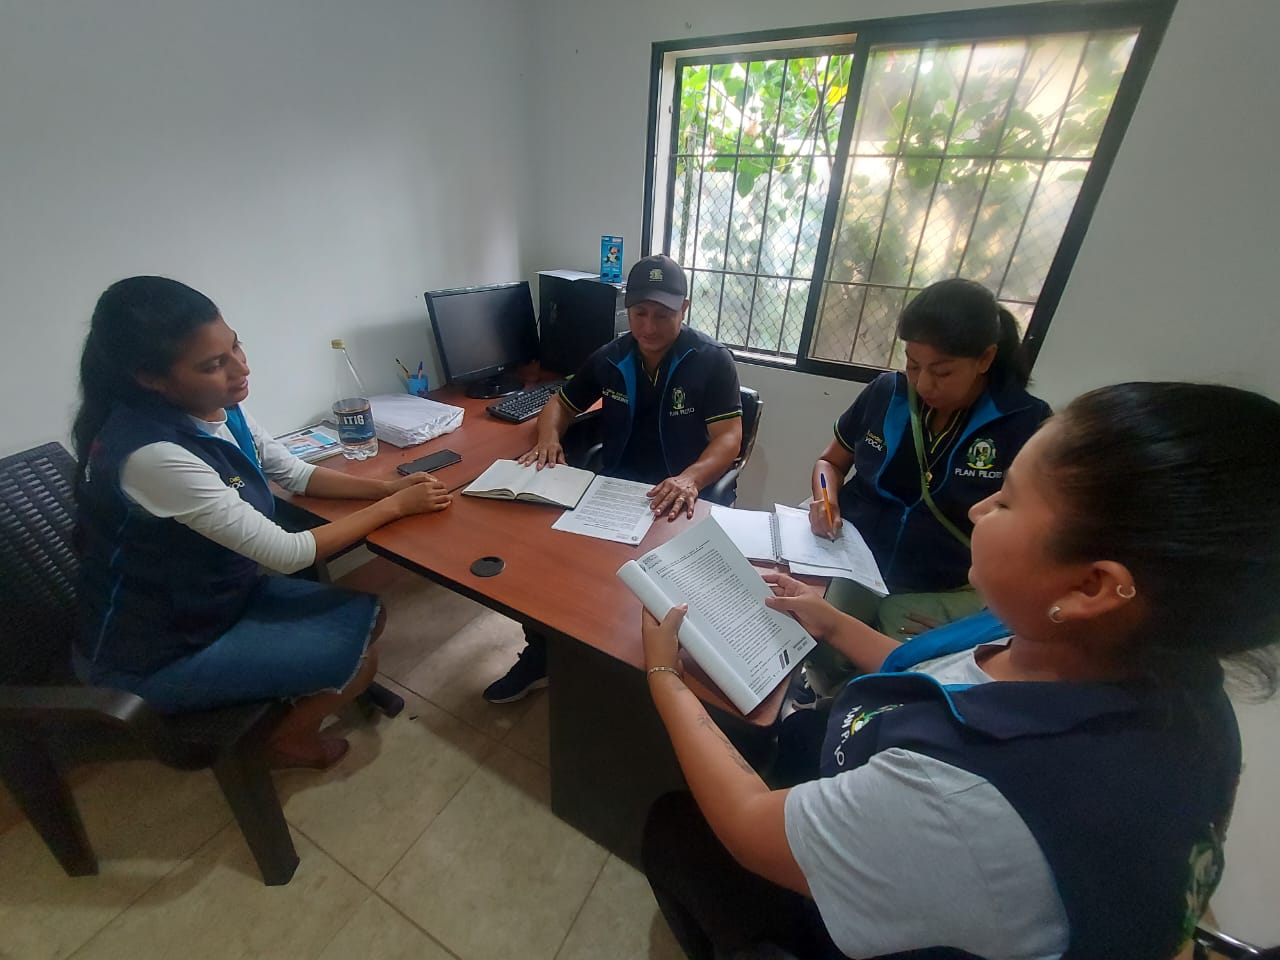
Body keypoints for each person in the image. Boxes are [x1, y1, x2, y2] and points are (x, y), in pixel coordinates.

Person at [640, 381, 1280, 960]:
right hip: (880, 778)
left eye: (1008, 502)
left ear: (1091, 586)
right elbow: (936, 674)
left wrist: (665, 677)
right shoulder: (1151, 671)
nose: (978, 510)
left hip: (868, 903)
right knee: (780, 729)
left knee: (676, 829)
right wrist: (829, 621)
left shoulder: (970, 797)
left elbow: (748, 826)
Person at [73, 276, 453, 769]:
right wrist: (395, 507)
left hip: (216, 600)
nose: (241, 369)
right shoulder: (152, 456)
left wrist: (385, 489)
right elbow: (287, 553)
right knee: (361, 659)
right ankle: (285, 741)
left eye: (235, 346)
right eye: (213, 364)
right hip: (156, 651)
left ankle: (290, 688)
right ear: (150, 377)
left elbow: (293, 473)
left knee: (370, 616)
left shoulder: (218, 408)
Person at [483, 254, 743, 703]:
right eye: (640, 313)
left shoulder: (711, 361)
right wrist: (548, 438)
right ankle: (541, 655)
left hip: (680, 500)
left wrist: (690, 479)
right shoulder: (611, 356)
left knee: (661, 597)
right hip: (617, 490)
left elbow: (729, 438)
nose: (648, 326)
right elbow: (560, 403)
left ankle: (657, 670)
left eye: (662, 315)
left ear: (684, 309)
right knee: (549, 562)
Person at [810, 278, 1050, 641]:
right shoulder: (886, 393)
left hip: (945, 587)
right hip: (856, 561)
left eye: (942, 372)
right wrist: (826, 499)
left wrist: (973, 621)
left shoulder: (1023, 422)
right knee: (817, 635)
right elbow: (829, 464)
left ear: (985, 359)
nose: (923, 384)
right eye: (912, 365)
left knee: (901, 653)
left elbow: (1032, 535)